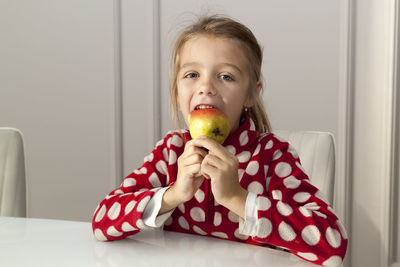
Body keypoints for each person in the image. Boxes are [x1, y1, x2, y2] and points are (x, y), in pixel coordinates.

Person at [92, 15, 348, 266]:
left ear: (251, 94)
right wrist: (174, 194)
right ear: (177, 90)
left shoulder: (271, 156)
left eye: (225, 76)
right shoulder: (171, 152)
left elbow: (333, 242)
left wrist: (237, 197)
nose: (206, 87)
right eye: (192, 75)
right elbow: (102, 221)